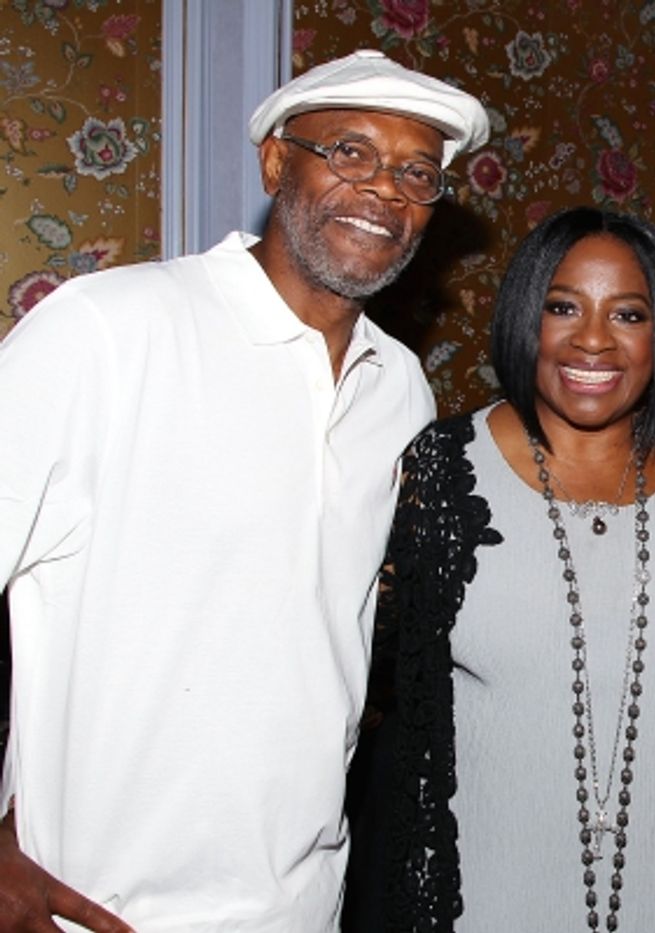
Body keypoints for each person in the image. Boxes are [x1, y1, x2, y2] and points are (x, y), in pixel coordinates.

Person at [0, 50, 487, 931]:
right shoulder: (108, 330)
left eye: (417, 172)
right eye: (350, 150)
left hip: (302, 903)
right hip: (94, 905)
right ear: (275, 161)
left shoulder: (401, 389)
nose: (385, 189)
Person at [377, 207, 655, 931]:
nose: (592, 339)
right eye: (563, 306)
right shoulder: (440, 476)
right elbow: (375, 696)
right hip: (491, 897)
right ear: (527, 317)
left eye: (629, 313)